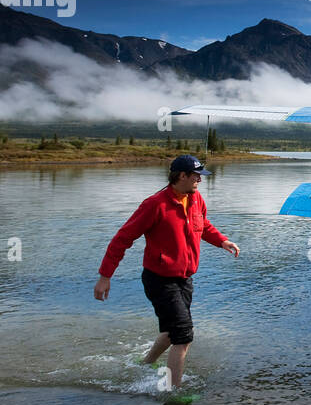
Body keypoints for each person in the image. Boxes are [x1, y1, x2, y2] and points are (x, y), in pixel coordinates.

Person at [94, 154, 239, 389]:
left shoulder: (195, 199)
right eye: (196, 176)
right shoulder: (155, 205)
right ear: (181, 176)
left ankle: (145, 363)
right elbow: (122, 239)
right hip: (160, 280)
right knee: (184, 336)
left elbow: (203, 225)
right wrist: (105, 276)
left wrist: (222, 241)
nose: (200, 181)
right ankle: (174, 390)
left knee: (173, 331)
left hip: (184, 278)